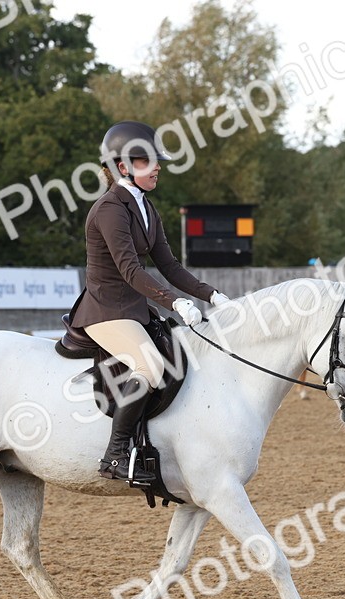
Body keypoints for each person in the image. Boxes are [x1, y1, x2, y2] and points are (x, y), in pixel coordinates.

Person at [71, 120, 230, 482]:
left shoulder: (145, 206)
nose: (157, 167)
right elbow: (130, 269)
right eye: (147, 161)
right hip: (106, 311)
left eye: (156, 160)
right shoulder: (109, 209)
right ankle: (115, 454)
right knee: (151, 366)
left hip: (135, 309)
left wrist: (212, 295)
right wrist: (175, 303)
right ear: (122, 167)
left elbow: (169, 265)